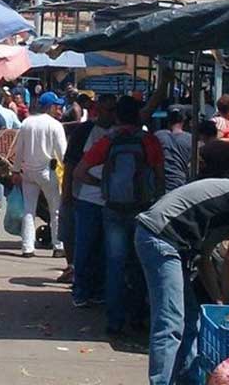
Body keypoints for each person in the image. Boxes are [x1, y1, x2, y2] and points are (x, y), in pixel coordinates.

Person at [134, 173, 229, 385]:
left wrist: (219, 301)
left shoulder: (227, 202)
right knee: (171, 322)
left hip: (165, 240)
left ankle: (188, 380)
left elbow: (204, 258)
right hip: (161, 238)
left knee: (190, 318)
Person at [74, 96, 166, 335]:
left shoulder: (108, 141)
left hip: (113, 208)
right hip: (143, 210)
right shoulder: (149, 141)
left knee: (114, 265)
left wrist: (102, 186)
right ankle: (137, 317)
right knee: (139, 265)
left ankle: (114, 321)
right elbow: (159, 176)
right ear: (138, 116)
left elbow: (79, 172)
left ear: (117, 116)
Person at [61, 94, 117, 304]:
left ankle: (100, 291)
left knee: (105, 250)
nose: (109, 114)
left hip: (113, 203)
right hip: (86, 200)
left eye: (113, 110)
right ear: (96, 110)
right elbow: (71, 165)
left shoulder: (119, 133)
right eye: (106, 109)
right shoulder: (85, 131)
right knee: (85, 247)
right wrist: (66, 194)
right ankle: (82, 291)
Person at [11, 92, 68, 258]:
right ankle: (58, 246)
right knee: (55, 210)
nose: (59, 108)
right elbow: (63, 154)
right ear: (50, 107)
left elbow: (19, 150)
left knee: (29, 210)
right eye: (56, 105)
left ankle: (27, 247)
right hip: (47, 172)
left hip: (28, 172)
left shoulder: (26, 123)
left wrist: (15, 170)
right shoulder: (55, 125)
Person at [154, 106, 193, 192]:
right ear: (183, 120)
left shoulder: (157, 136)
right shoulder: (191, 139)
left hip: (161, 186)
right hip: (181, 186)